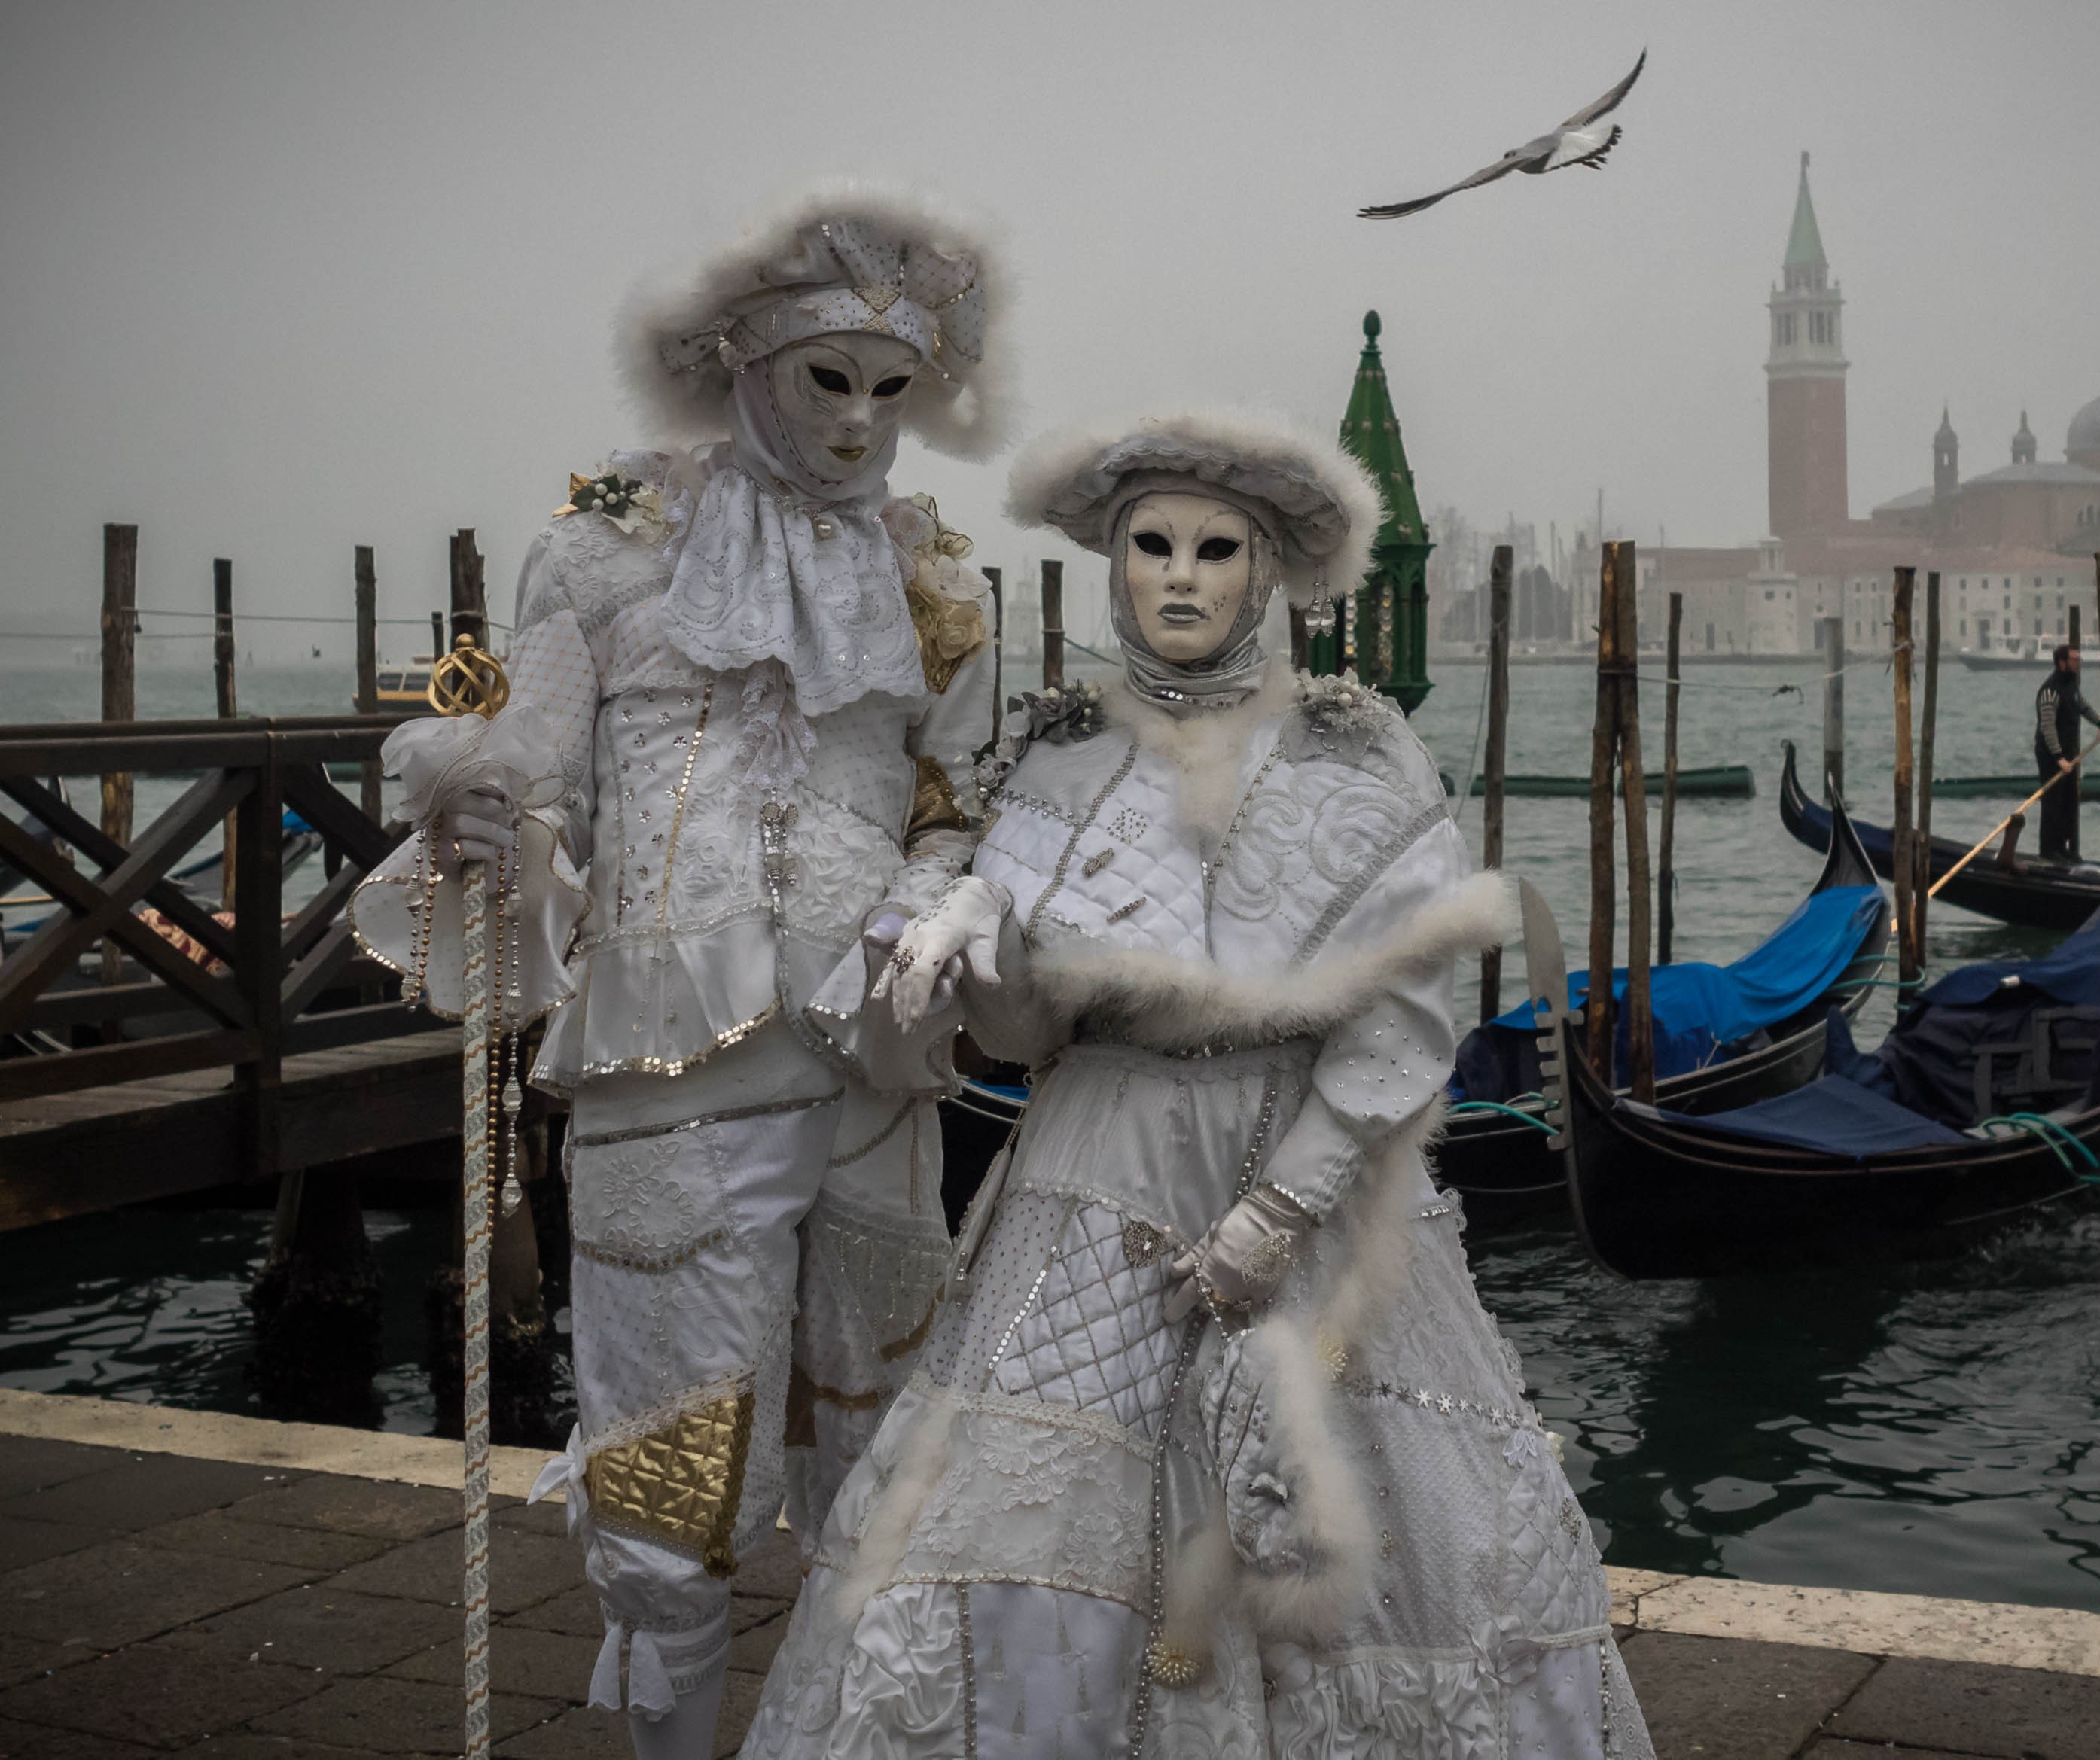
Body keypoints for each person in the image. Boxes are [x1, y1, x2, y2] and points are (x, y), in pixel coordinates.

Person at [742, 411, 1653, 1758]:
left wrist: (1282, 1209)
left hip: (1301, 1172)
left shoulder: (1358, 754)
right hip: (1085, 1161)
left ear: (1264, 571)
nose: (1179, 575)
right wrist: (953, 948)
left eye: (1213, 548)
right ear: (1112, 563)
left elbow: (1402, 1011)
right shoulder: (1055, 751)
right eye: (1149, 544)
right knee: (1011, 1497)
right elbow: (1017, 1031)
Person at [350, 190, 1010, 1760]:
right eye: (823, 378)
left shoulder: (938, 584)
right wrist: (480, 791)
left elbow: (960, 800)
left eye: (888, 388)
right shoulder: (601, 552)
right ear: (740, 362)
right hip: (672, 1086)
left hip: (872, 1071)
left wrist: (923, 917)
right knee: (673, 1485)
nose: (857, 423)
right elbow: (534, 758)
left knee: (882, 1467)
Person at [2032, 644, 2100, 863]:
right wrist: (2058, 758)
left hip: (2069, 755)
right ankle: (2049, 850)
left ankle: (2064, 848)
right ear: (2061, 663)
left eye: (2079, 659)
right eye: (2074, 660)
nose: (2078, 663)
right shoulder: (2049, 691)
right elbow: (2048, 727)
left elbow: (2082, 706)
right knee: (2053, 801)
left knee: (2069, 801)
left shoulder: (2071, 687)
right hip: (2051, 755)